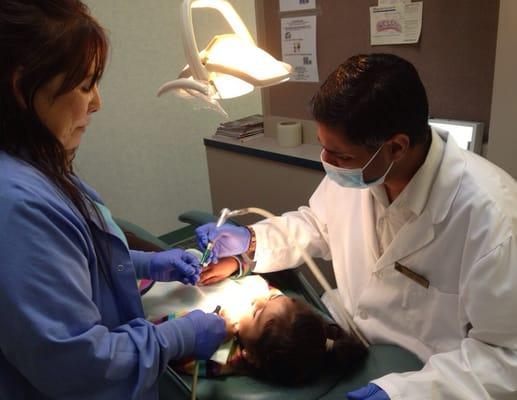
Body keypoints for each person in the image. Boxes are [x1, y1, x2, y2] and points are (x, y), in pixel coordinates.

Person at [196, 53, 517, 399]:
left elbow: (505, 356)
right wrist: (251, 243)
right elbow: (317, 225)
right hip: (346, 341)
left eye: (340, 156)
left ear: (395, 147)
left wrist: (401, 394)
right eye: (324, 149)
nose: (328, 164)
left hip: (426, 378)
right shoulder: (361, 173)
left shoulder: (493, 220)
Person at [0, 1, 230, 399]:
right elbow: (80, 366)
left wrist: (148, 263)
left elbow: (70, 260)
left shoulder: (35, 166)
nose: (96, 103)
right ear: (21, 86)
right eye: (84, 86)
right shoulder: (14, 207)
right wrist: (178, 338)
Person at [149, 257, 367, 384]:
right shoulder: (275, 309)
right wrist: (236, 264)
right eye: (274, 297)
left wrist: (196, 329)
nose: (260, 297)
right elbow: (256, 274)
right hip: (190, 268)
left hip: (147, 294)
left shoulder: (220, 356)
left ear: (250, 355)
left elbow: (158, 347)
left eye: (256, 313)